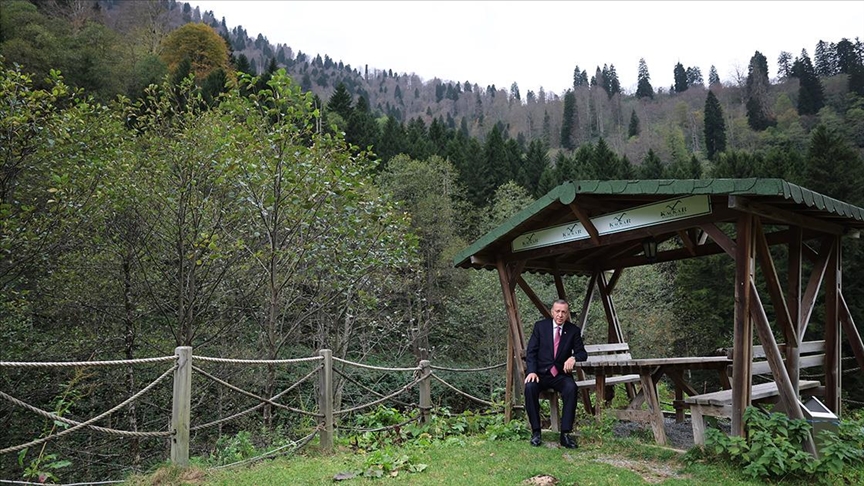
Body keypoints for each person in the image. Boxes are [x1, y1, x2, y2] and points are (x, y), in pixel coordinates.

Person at [523, 299, 588, 448]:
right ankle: (536, 432)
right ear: (552, 312)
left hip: (560, 375)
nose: (560, 315)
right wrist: (531, 371)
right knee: (530, 387)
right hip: (541, 374)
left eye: (563, 312)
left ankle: (565, 434)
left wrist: (573, 357)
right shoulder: (540, 327)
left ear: (567, 314)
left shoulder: (573, 330)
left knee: (571, 388)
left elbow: (582, 353)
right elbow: (531, 352)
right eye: (557, 311)